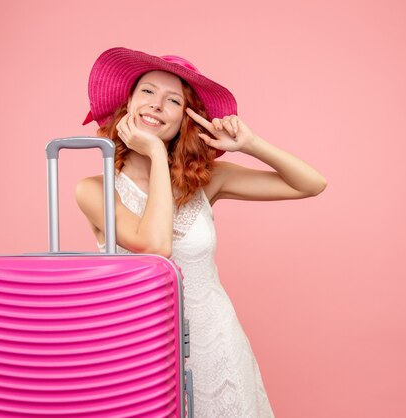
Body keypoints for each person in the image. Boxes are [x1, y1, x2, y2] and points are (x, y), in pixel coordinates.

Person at [75, 47, 327, 417]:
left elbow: (311, 184)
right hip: (138, 352)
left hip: (215, 347)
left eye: (172, 100)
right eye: (147, 92)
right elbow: (155, 246)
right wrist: (157, 155)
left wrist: (251, 144)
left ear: (184, 119)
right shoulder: (95, 190)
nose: (157, 104)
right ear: (127, 105)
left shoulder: (206, 180)